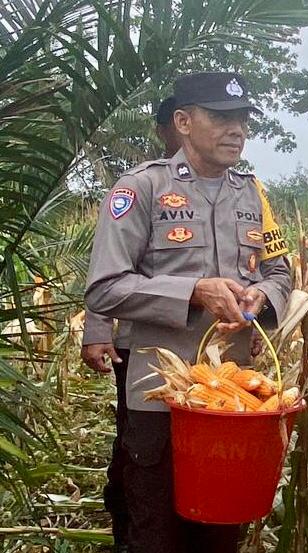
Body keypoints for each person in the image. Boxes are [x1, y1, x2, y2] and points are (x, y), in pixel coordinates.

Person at [85, 72, 292, 553]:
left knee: (221, 530)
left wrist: (263, 298)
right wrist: (193, 292)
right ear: (182, 121)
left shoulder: (252, 193)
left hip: (232, 399)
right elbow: (105, 289)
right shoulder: (141, 189)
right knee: (156, 530)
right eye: (221, 117)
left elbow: (281, 274)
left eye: (242, 118)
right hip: (160, 398)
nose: (237, 129)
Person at [80, 95, 179, 552]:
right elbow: (109, 272)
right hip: (144, 348)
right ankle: (127, 521)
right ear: (169, 129)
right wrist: (98, 331)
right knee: (138, 446)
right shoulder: (141, 187)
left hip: (216, 364)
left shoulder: (241, 188)